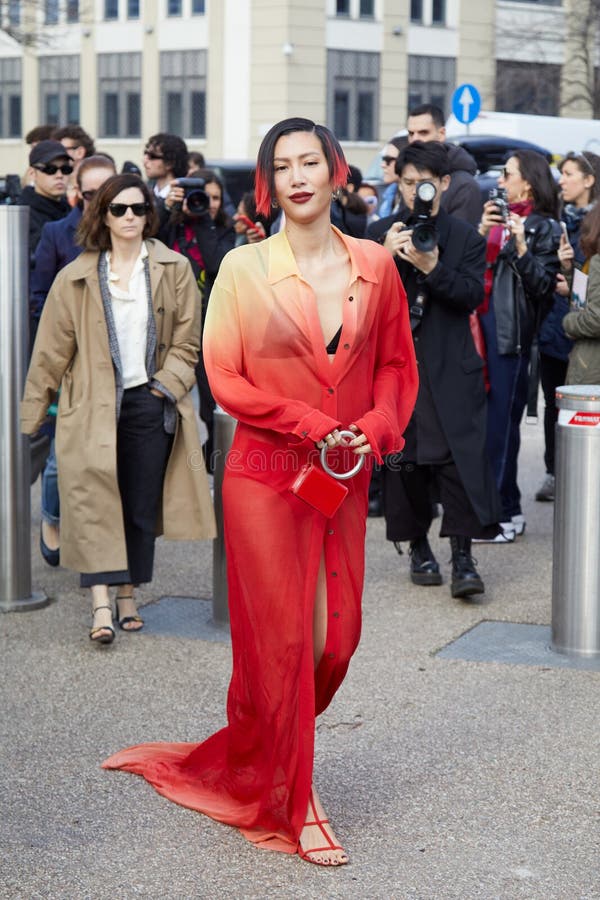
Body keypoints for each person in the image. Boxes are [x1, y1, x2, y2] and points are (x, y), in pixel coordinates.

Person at [101, 117, 418, 866]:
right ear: (269, 183)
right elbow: (225, 375)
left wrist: (375, 426)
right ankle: (294, 798)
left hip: (341, 477)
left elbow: (397, 368)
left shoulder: (376, 264)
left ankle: (257, 753)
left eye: (313, 161)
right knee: (281, 643)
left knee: (334, 642)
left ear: (338, 170)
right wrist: (309, 420)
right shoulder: (245, 267)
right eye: (285, 165)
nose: (300, 175)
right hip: (268, 476)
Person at [21, 173, 215, 644]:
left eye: (139, 209)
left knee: (138, 506)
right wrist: (30, 415)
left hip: (150, 402)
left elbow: (190, 340)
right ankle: (102, 603)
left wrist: (166, 386)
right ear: (102, 216)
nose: (130, 217)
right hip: (90, 406)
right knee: (93, 504)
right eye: (119, 209)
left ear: (150, 214)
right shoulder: (77, 276)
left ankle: (128, 592)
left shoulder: (174, 267)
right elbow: (50, 350)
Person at [369, 141, 501, 597]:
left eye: (424, 183)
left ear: (444, 184)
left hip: (450, 365)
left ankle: (463, 556)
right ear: (399, 183)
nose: (415, 193)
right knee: (403, 462)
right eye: (407, 183)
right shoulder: (379, 232)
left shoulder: (465, 237)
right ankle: (419, 546)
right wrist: (383, 259)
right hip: (398, 368)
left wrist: (432, 266)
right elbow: (356, 304)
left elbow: (470, 297)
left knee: (458, 462)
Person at [31, 154, 118, 568]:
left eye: (107, 193)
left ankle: (97, 538)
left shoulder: (131, 231)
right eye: (90, 194)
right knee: (58, 455)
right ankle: (51, 518)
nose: (99, 202)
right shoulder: (56, 233)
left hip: (121, 366)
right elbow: (37, 298)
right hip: (72, 363)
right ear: (76, 195)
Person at [477, 150, 561, 540]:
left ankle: (502, 515)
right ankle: (507, 510)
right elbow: (477, 268)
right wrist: (482, 232)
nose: (500, 181)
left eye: (507, 174)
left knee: (502, 427)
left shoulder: (543, 226)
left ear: (527, 180)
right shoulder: (496, 218)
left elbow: (542, 287)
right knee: (491, 425)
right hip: (484, 326)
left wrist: (521, 245)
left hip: (511, 335)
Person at [160, 169, 236, 469]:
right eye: (204, 196)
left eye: (215, 197)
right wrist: (170, 208)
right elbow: (151, 242)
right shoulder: (172, 226)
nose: (209, 202)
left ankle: (215, 460)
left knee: (209, 401)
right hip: (171, 323)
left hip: (209, 326)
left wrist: (204, 218)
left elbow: (217, 263)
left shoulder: (224, 229)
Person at [535, 150, 600, 501]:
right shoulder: (558, 218)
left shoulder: (595, 224)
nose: (562, 180)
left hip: (581, 332)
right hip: (556, 330)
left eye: (569, 173)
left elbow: (593, 291)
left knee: (585, 407)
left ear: (589, 180)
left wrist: (573, 279)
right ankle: (554, 471)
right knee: (554, 406)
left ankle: (579, 473)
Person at [406, 103, 482, 226]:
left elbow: (462, 239)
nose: (415, 140)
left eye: (423, 133)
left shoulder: (464, 186)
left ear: (441, 134)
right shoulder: (408, 175)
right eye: (411, 134)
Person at [562, 200, 600, 384]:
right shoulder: (591, 262)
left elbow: (596, 319)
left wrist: (569, 322)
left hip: (592, 364)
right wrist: (569, 271)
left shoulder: (597, 262)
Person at [18, 139, 72, 264]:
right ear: (32, 173)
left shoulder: (70, 209)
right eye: (50, 169)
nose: (59, 175)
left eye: (65, 169)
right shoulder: (23, 216)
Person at [142, 132, 188, 201]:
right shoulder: (145, 195)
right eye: (145, 154)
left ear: (170, 163)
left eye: (152, 156)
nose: (144, 161)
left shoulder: (185, 198)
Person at [378, 135, 407, 217]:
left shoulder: (414, 197)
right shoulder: (390, 194)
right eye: (383, 159)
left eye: (388, 160)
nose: (383, 165)